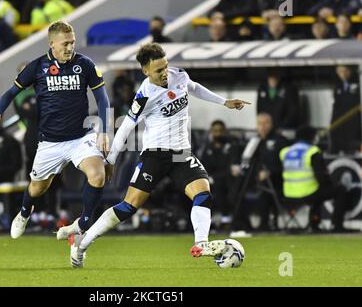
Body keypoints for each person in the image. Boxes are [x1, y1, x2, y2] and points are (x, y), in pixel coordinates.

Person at [67, 42, 251, 268]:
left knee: (203, 193)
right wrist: (111, 161)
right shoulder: (144, 96)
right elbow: (125, 127)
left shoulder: (178, 75)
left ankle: (201, 243)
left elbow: (193, 87)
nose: (165, 73)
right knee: (128, 207)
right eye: (158, 70)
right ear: (146, 71)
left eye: (165, 66)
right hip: (155, 155)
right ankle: (82, 244)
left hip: (181, 154)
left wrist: (224, 102)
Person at [0, 20, 111, 241]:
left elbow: (102, 98)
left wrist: (105, 131)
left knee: (98, 176)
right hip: (50, 142)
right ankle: (24, 213)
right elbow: (12, 92)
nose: (70, 48)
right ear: (52, 43)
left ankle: (83, 223)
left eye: (72, 42)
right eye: (65, 44)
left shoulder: (85, 64)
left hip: (81, 138)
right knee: (36, 189)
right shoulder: (38, 67)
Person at [280, 126, 350, 232]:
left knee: (319, 191)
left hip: (287, 195)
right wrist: (331, 183)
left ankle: (315, 223)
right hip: (307, 194)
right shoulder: (312, 151)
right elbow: (321, 177)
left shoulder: (285, 152)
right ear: (311, 136)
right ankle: (337, 225)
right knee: (339, 190)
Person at [232, 113, 289, 232]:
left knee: (265, 191)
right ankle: (242, 225)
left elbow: (285, 164)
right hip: (253, 178)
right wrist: (238, 168)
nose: (262, 126)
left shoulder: (280, 141)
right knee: (235, 189)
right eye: (259, 123)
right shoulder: (254, 141)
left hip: (275, 179)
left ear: (271, 124)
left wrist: (270, 171)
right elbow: (246, 160)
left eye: (265, 123)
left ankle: (265, 224)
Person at [199, 120, 240, 229]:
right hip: (210, 179)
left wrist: (215, 178)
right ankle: (207, 222)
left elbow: (231, 167)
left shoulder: (231, 146)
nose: (218, 134)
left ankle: (225, 220)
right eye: (215, 131)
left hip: (226, 180)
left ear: (224, 132)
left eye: (220, 131)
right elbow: (202, 165)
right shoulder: (208, 148)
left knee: (222, 188)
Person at [329, 65, 361, 153]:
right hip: (341, 123)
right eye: (340, 71)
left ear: (350, 70)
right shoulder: (338, 86)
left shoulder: (358, 83)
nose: (343, 74)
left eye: (345, 71)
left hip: (355, 122)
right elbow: (336, 106)